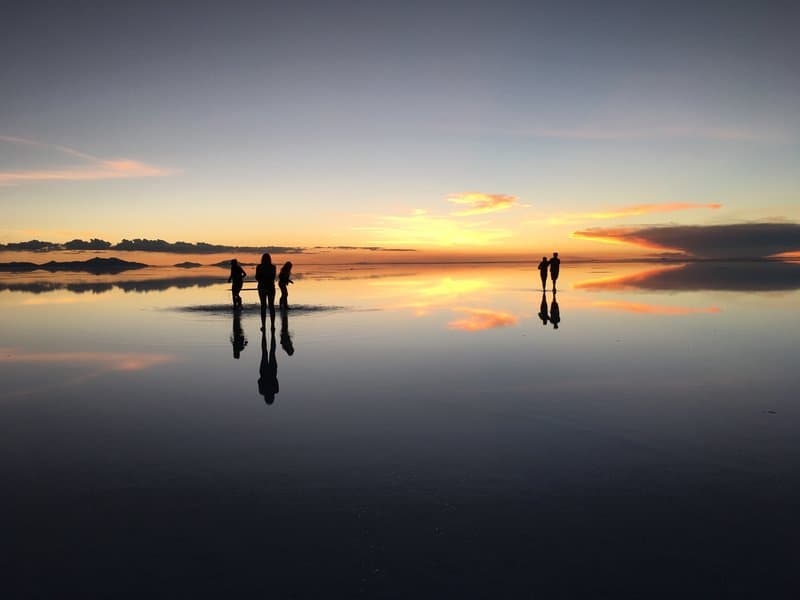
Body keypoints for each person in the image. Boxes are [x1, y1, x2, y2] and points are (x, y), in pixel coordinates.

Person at [255, 253, 276, 331]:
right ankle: (272, 326)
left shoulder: (259, 267)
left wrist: (262, 280)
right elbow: (273, 277)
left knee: (263, 306)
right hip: (270, 287)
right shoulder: (273, 267)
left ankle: (263, 326)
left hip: (262, 287)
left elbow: (257, 277)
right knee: (271, 306)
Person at [258, 330, 279, 405]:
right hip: (264, 372)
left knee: (272, 351)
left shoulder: (275, 390)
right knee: (265, 351)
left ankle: (271, 334)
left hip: (272, 371)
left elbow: (276, 380)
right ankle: (265, 334)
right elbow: (259, 381)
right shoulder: (262, 391)